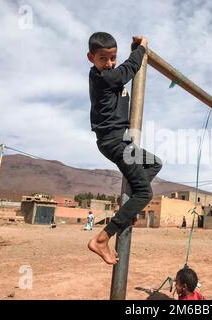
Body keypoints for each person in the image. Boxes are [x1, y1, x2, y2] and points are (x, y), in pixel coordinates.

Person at [86, 32, 163, 265]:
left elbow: (126, 68)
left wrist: (133, 50)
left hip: (120, 140)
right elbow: (129, 69)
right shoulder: (105, 77)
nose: (109, 63)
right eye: (103, 59)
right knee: (144, 193)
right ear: (91, 58)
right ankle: (101, 239)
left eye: (112, 58)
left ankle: (127, 209)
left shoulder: (109, 73)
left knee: (154, 163)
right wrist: (141, 49)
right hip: (115, 141)